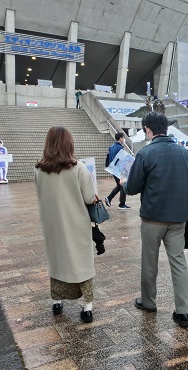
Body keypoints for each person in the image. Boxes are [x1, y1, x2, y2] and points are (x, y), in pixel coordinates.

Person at [124, 112, 188, 328]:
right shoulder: (185, 154)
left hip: (153, 219)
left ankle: (149, 302)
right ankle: (182, 311)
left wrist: (124, 183)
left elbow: (133, 187)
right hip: (178, 219)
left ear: (148, 129)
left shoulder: (146, 153)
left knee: (149, 262)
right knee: (179, 264)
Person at [34, 127, 97, 323]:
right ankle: (87, 307)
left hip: (52, 224)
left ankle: (57, 301)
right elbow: (88, 196)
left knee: (57, 260)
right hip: (76, 223)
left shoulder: (38, 169)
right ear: (68, 144)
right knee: (81, 262)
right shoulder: (78, 168)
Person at [104, 133, 131, 210]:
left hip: (113, 169)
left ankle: (109, 198)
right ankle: (121, 204)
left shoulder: (111, 147)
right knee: (122, 185)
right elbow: (122, 160)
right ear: (120, 138)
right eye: (123, 138)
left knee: (120, 185)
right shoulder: (119, 148)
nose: (123, 139)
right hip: (118, 170)